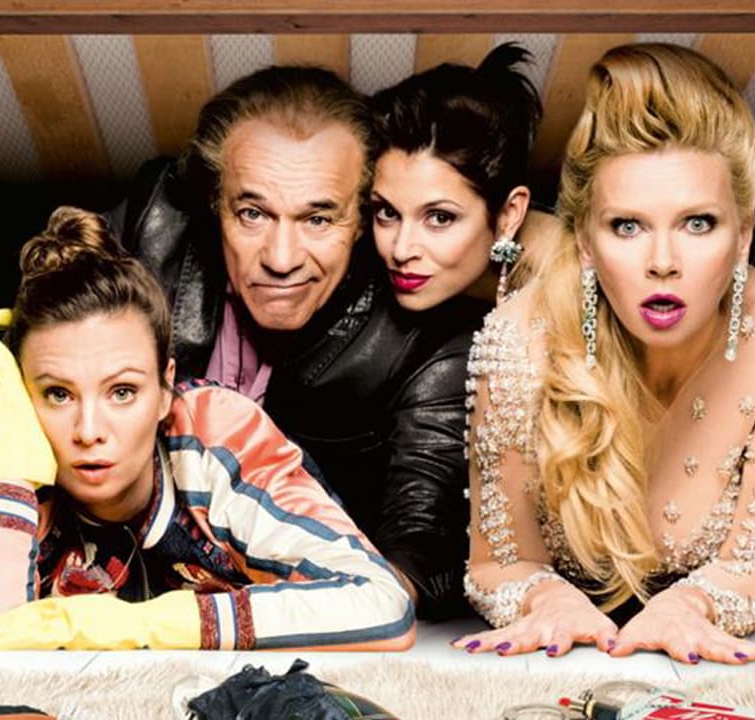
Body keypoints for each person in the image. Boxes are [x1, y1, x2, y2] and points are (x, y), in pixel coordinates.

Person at [452, 43, 755, 664]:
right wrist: (546, 601)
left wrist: (690, 607)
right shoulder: (516, 343)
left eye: (698, 223)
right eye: (627, 226)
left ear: (743, 236)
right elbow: (500, 562)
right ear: (586, 242)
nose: (663, 262)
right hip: (568, 657)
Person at [0, 207, 414, 652]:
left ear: (165, 390)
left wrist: (137, 625)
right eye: (57, 394)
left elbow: (380, 603)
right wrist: (4, 419)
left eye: (122, 392)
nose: (89, 431)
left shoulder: (213, 437)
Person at [109, 66, 485, 618]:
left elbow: (420, 552)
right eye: (252, 214)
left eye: (318, 219)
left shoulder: (425, 342)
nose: (281, 259)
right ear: (214, 202)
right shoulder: (152, 229)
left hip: (289, 614)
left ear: (363, 220)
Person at [369, 42, 543, 309]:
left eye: (440, 218)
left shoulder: (561, 297)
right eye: (388, 213)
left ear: (509, 215)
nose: (401, 251)